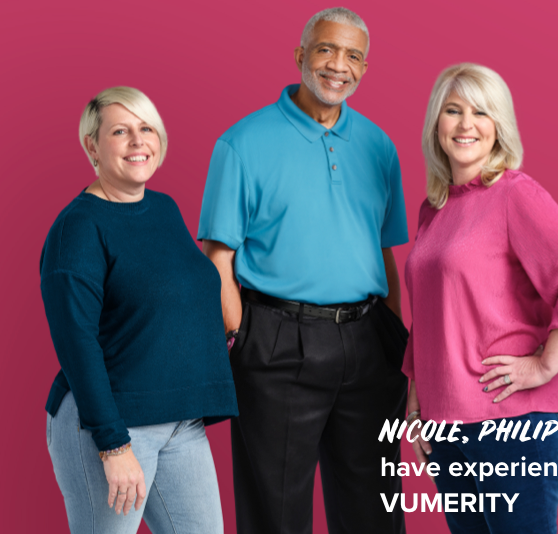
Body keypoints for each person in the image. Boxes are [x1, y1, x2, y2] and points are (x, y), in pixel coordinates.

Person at [198, 7, 410, 534]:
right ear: (299, 56)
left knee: (376, 508)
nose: (339, 65)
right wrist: (241, 336)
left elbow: (385, 253)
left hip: (367, 341)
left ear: (364, 68)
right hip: (275, 342)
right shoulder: (241, 144)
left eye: (354, 56)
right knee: (276, 512)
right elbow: (218, 259)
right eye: (326, 49)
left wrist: (392, 339)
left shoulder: (379, 147)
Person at [403, 63, 558, 534]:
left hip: (511, 421)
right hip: (445, 424)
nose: (465, 124)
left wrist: (543, 365)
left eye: (481, 112)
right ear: (435, 124)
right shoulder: (433, 211)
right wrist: (417, 407)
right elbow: (433, 314)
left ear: (498, 125)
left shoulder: (513, 194)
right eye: (452, 110)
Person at [41, 86, 238, 534]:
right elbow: (76, 341)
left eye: (146, 128)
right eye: (120, 131)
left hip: (180, 422)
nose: (138, 142)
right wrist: (112, 445)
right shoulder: (78, 227)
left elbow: (171, 297)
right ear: (92, 144)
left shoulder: (164, 209)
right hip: (109, 424)